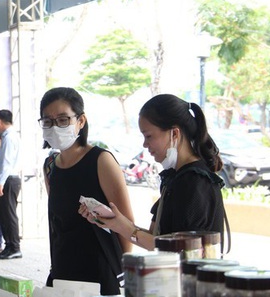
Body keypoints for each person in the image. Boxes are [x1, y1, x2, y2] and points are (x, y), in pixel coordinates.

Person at [80, 94, 228, 251]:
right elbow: (157, 238)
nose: (145, 144)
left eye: (149, 136)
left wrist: (126, 228)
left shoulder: (195, 181)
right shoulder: (176, 178)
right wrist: (116, 222)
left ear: (174, 133)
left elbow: (181, 250)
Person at [40, 87, 134, 295]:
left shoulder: (101, 160)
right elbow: (58, 223)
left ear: (80, 121)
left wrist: (125, 273)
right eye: (48, 121)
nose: (55, 127)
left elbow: (126, 225)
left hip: (100, 274)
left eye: (63, 119)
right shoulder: (50, 166)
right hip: (63, 273)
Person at [0, 109, 23, 260]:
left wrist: (1, 183)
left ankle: (15, 247)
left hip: (9, 179)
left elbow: (8, 163)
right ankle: (9, 246)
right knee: (4, 214)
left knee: (9, 214)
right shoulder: (8, 136)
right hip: (7, 179)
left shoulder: (9, 137)